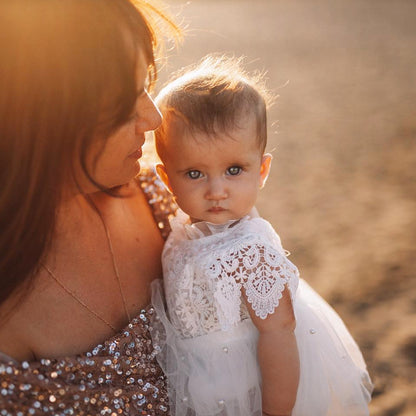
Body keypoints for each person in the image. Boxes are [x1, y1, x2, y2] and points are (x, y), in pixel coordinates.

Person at [150, 55, 373, 416]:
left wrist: (275, 412)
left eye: (234, 170)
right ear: (165, 178)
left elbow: (279, 334)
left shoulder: (251, 251)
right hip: (198, 383)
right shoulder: (182, 231)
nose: (216, 190)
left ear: (262, 169)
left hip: (251, 390)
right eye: (194, 173)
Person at [0, 0, 181, 414]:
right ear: (42, 120)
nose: (153, 119)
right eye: (123, 104)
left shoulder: (164, 199)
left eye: (145, 87)